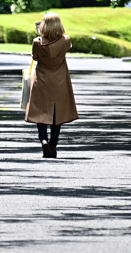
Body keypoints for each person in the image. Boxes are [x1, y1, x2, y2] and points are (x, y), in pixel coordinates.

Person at [25, 11, 79, 158]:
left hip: (42, 80)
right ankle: (53, 144)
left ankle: (43, 140)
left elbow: (35, 57)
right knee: (57, 113)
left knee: (40, 112)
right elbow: (65, 46)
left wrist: (41, 35)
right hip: (60, 80)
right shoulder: (66, 40)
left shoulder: (37, 42)